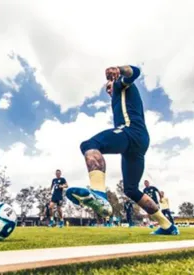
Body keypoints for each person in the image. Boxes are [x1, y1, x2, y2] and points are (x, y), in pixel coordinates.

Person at [66, 65, 178, 235]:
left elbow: (135, 72)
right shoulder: (118, 96)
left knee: (89, 145)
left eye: (109, 86)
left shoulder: (122, 84)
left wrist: (118, 70)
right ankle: (167, 226)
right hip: (138, 142)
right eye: (107, 89)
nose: (109, 90)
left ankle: (99, 193)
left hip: (130, 131)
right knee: (131, 189)